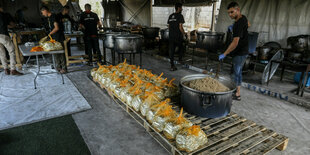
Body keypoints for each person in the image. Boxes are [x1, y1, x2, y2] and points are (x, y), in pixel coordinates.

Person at [218, 2, 250, 101]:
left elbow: (235, 42)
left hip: (240, 52)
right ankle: (236, 91)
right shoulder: (242, 18)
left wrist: (225, 53)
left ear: (238, 9)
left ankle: (237, 94)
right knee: (236, 72)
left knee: (236, 72)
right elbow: (249, 24)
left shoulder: (238, 24)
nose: (230, 15)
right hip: (242, 50)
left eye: (232, 12)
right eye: (229, 13)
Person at [40, 6, 67, 73]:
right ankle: (58, 67)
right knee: (54, 53)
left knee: (60, 53)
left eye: (42, 12)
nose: (43, 14)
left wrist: (49, 34)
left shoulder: (54, 17)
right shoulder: (48, 18)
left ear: (45, 10)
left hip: (58, 37)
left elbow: (56, 28)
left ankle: (64, 68)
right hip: (53, 38)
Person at [0, 6, 23, 75]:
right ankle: (13, 69)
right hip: (3, 35)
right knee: (12, 51)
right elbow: (10, 25)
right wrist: (15, 25)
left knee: (1, 53)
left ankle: (6, 69)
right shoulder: (3, 15)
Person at [167, 3, 186, 71]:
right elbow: (180, 27)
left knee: (171, 50)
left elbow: (169, 26)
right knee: (181, 47)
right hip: (178, 36)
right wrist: (184, 33)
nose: (182, 9)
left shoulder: (171, 16)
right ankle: (180, 60)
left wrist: (172, 32)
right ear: (178, 8)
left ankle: (172, 65)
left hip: (171, 36)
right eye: (181, 8)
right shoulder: (180, 16)